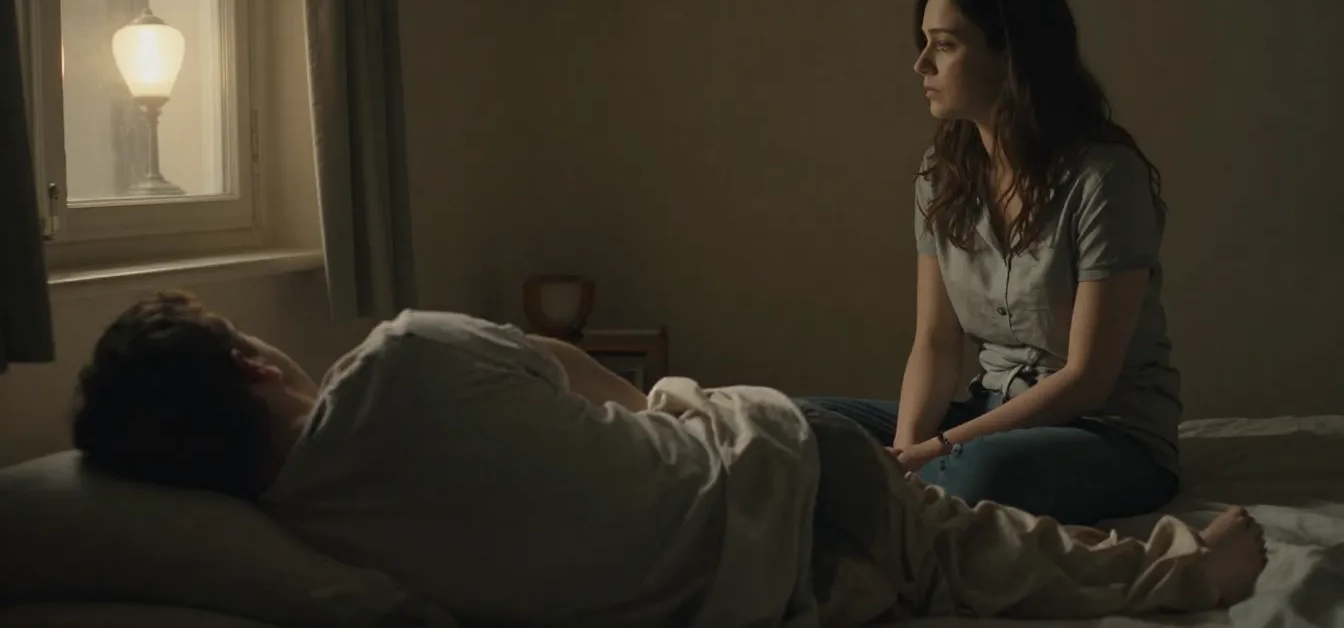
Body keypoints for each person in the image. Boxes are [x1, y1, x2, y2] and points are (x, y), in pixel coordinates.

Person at [71, 291, 1266, 626]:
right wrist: (659, 413)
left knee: (924, 529)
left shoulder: (307, 547)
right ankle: (1184, 576)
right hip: (783, 488)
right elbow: (576, 370)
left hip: (754, 601)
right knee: (964, 536)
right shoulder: (402, 356)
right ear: (249, 365)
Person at [806, 0, 1183, 526]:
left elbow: (1086, 380)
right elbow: (936, 342)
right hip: (987, 414)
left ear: (1011, 55)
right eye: (924, 43)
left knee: (977, 475)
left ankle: (893, 514)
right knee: (793, 424)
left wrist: (938, 451)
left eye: (944, 44)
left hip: (1105, 435)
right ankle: (895, 502)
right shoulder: (941, 175)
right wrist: (904, 455)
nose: (921, 64)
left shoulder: (1104, 179)